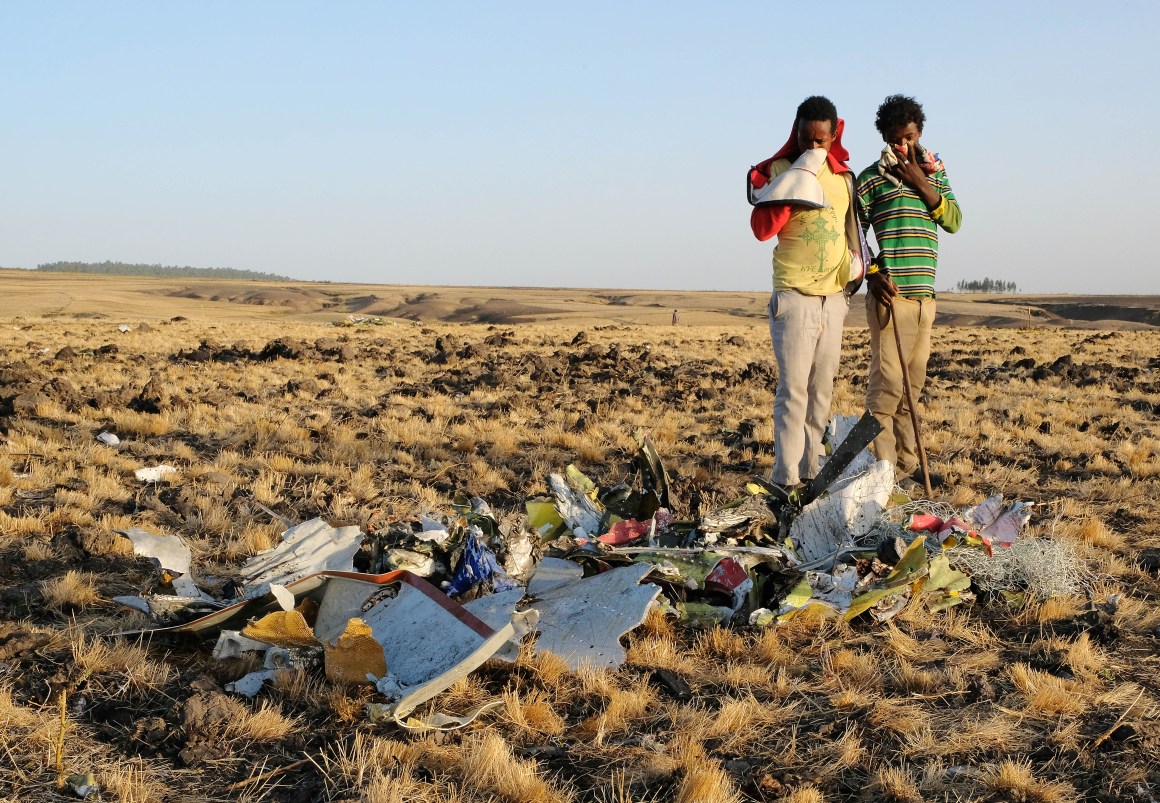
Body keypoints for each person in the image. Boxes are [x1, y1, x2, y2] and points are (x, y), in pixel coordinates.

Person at [748, 95, 869, 495]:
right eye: (805, 138)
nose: (812, 146)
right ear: (796, 133)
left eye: (820, 140)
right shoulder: (780, 171)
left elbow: (853, 228)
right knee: (793, 391)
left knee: (821, 393)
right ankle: (785, 481)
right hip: (795, 297)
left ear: (834, 136)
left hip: (834, 299)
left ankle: (811, 477)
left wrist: (857, 270)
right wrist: (800, 173)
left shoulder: (844, 178)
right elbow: (762, 228)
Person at [856, 95, 962, 487]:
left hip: (925, 299)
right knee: (887, 388)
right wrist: (871, 273)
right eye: (896, 139)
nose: (903, 146)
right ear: (884, 137)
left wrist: (921, 181)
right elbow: (856, 237)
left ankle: (906, 464)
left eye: (910, 137)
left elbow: (953, 220)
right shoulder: (869, 179)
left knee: (911, 389)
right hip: (892, 298)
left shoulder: (935, 173)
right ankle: (883, 473)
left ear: (920, 134)